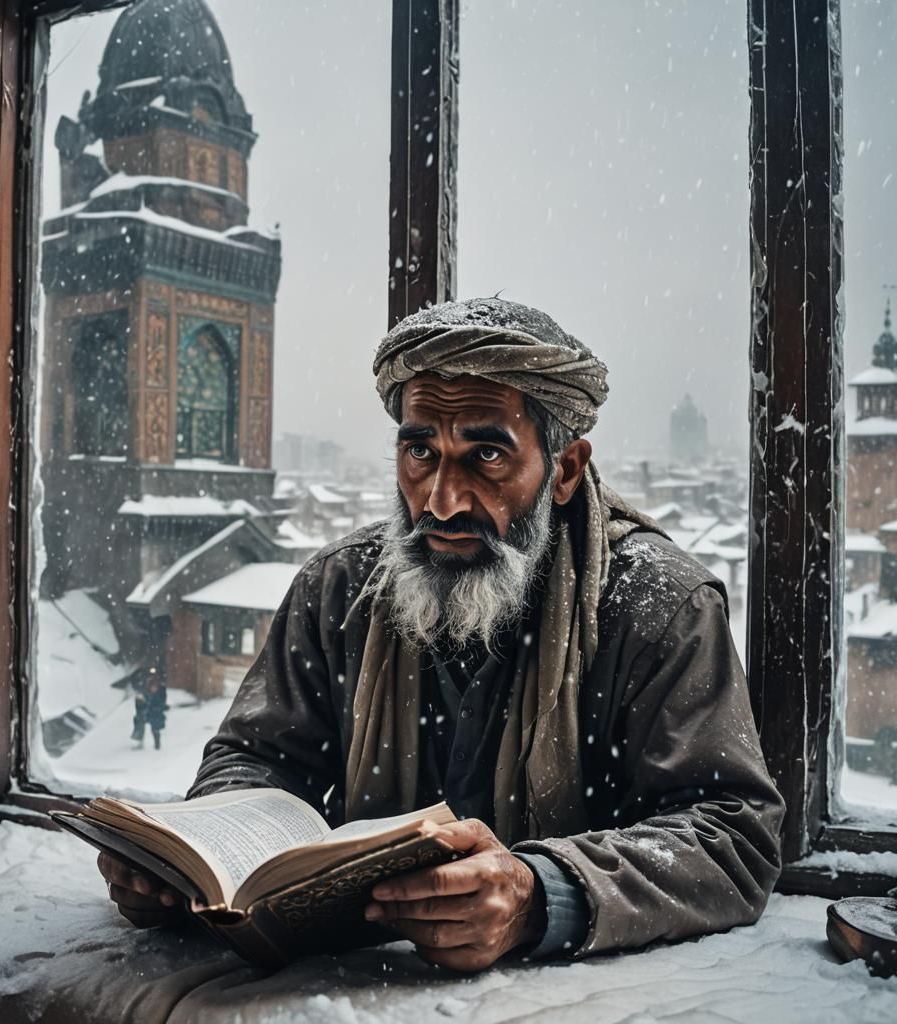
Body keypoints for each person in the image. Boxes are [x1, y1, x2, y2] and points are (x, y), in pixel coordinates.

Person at [98, 298, 784, 972]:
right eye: (421, 452)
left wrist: (541, 894)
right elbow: (255, 760)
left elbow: (731, 832)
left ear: (566, 469)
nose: (441, 500)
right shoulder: (339, 591)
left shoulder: (656, 605)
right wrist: (194, 858)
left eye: (485, 455)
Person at [131, 671, 167, 750]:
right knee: (139, 722)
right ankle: (140, 742)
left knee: (155, 729)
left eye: (155, 687)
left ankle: (157, 745)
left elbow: (162, 703)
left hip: (156, 714)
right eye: (152, 687)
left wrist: (160, 707)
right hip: (148, 713)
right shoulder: (146, 693)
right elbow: (141, 703)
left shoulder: (159, 693)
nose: (153, 688)